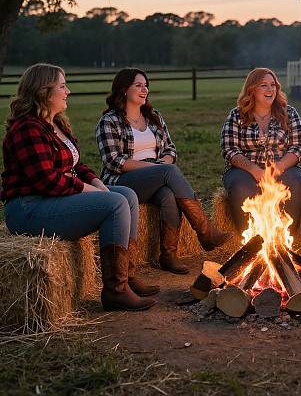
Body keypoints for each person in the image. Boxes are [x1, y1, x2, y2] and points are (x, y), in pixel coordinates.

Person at [1, 64, 158, 312]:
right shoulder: (27, 129)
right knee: (114, 203)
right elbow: (47, 181)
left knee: (126, 194)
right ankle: (115, 291)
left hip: (50, 200)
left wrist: (96, 182)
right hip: (28, 208)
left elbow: (76, 164)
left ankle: (126, 275)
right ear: (44, 91)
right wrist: (91, 191)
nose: (68, 91)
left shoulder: (56, 124)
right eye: (62, 86)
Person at [96, 68, 229, 275]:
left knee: (168, 195)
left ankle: (168, 255)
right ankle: (205, 231)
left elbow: (170, 149)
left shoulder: (154, 117)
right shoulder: (109, 121)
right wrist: (158, 168)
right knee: (169, 172)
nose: (144, 89)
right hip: (122, 181)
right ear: (123, 90)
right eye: (138, 85)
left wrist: (163, 165)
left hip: (156, 176)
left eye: (146, 85)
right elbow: (114, 161)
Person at [221, 68, 301, 234]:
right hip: (245, 169)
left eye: (273, 85)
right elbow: (229, 148)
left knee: (297, 184)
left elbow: (300, 145)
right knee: (241, 187)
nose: (270, 90)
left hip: (282, 166)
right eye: (264, 85)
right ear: (252, 89)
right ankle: (250, 243)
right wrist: (254, 170)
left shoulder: (289, 113)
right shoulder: (237, 115)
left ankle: (286, 241)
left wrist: (278, 168)